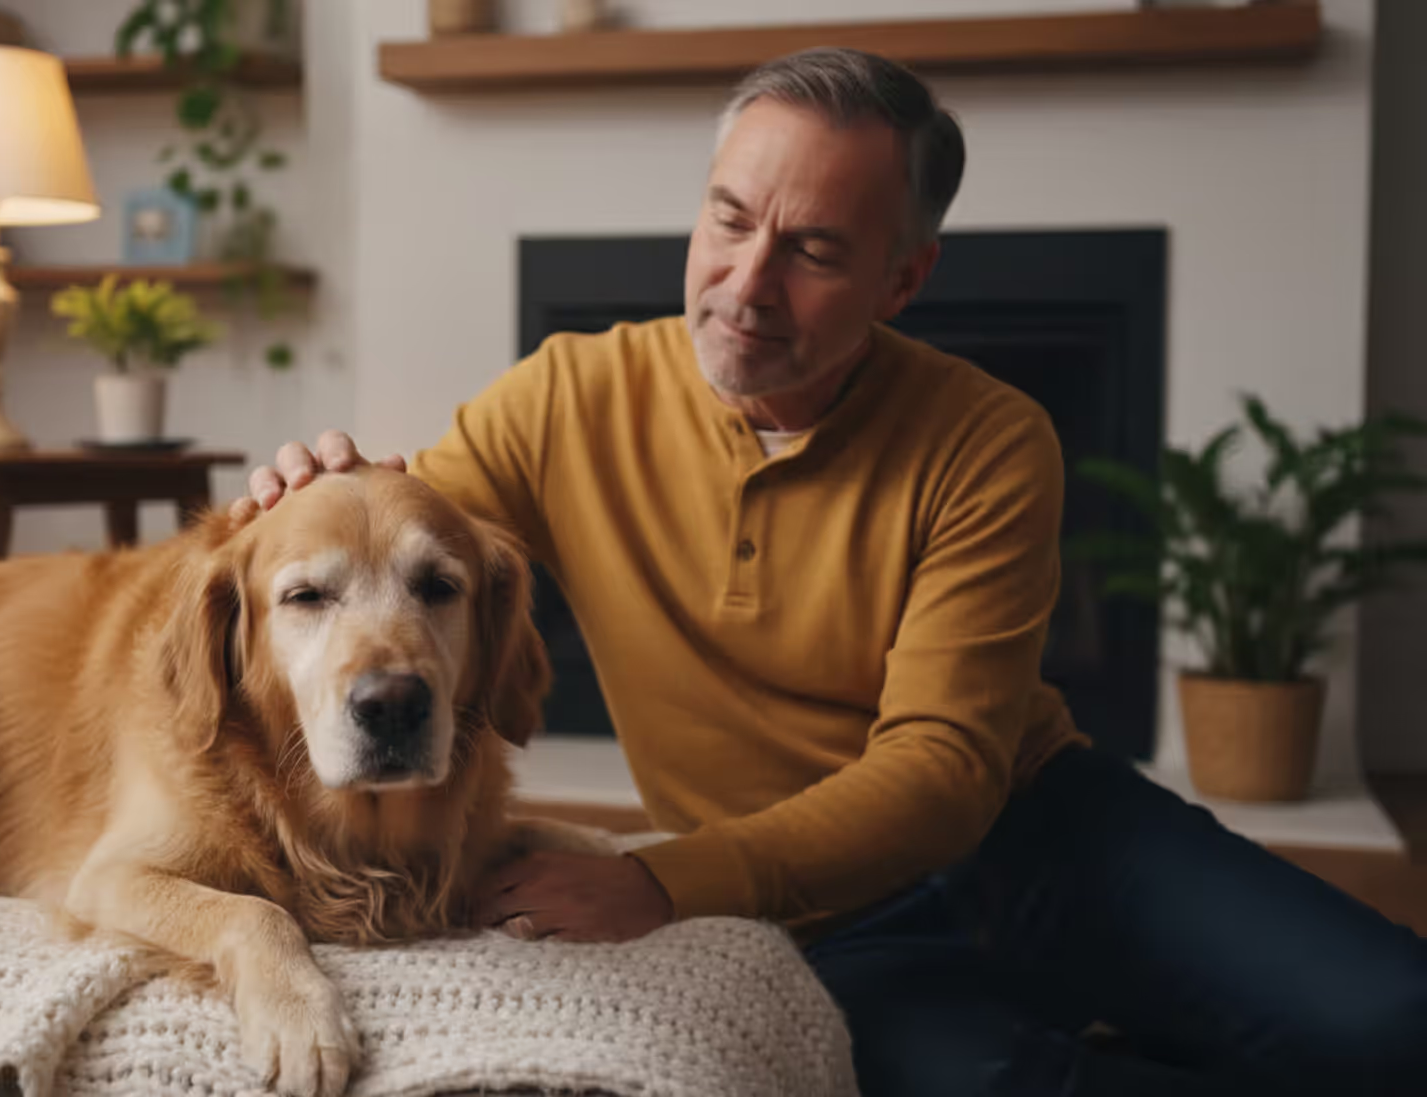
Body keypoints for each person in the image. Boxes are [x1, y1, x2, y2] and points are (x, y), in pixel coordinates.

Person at [239, 48, 1426, 1097]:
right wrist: (316, 488)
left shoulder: (990, 436)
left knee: (1395, 1018)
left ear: (902, 280)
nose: (748, 286)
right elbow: (404, 540)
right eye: (729, 219)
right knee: (996, 1080)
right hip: (816, 916)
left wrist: (665, 882)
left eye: (811, 250)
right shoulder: (567, 392)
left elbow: (943, 767)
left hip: (1050, 833)